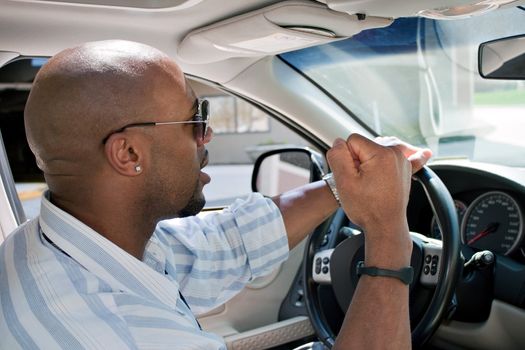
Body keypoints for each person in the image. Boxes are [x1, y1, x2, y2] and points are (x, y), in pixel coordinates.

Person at [0, 40, 431, 349]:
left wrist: (345, 185)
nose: (207, 134)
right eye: (194, 120)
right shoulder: (124, 333)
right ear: (128, 152)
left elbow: (223, 242)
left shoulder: (56, 243)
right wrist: (389, 231)